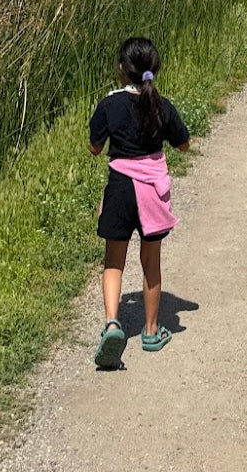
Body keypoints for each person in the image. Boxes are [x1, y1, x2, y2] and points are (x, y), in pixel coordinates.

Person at [88, 36, 191, 368]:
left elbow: (95, 147)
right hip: (151, 195)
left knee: (113, 262)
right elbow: (184, 145)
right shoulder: (162, 105)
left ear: (122, 69)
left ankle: (113, 324)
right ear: (154, 69)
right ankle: (150, 331)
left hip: (120, 189)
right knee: (151, 263)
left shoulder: (110, 103)